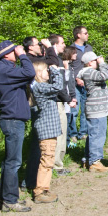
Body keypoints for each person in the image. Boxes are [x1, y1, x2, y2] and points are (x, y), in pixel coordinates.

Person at [0, 40, 36, 212]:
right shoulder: (4, 70)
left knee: (10, 162)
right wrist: (24, 55)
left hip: (14, 119)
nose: (16, 52)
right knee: (13, 162)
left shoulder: (7, 70)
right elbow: (30, 71)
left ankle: (6, 199)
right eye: (13, 51)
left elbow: (29, 75)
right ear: (6, 54)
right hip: (12, 120)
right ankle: (10, 201)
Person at [27, 61, 71, 203]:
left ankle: (44, 188)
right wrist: (56, 70)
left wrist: (52, 71)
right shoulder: (40, 87)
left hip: (49, 130)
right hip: (46, 130)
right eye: (46, 71)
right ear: (39, 73)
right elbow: (58, 86)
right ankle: (40, 192)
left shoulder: (42, 87)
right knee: (46, 160)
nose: (49, 73)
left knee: (48, 159)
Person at [76, 51, 108, 173]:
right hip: (96, 110)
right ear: (90, 62)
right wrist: (103, 63)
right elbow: (104, 75)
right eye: (96, 60)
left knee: (93, 134)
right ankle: (95, 162)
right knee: (97, 134)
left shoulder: (87, 72)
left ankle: (88, 159)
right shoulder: (89, 72)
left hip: (97, 109)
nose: (98, 61)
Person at [45, 35, 72, 175]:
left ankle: (58, 162)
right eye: (62, 43)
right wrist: (68, 98)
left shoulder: (59, 60)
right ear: (54, 45)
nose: (64, 45)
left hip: (61, 101)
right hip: (56, 101)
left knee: (63, 131)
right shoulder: (52, 61)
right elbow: (58, 84)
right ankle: (56, 165)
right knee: (58, 133)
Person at [69, 26, 93, 143]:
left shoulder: (89, 48)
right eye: (86, 33)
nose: (88, 35)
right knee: (74, 110)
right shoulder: (71, 49)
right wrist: (77, 79)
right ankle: (72, 134)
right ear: (79, 35)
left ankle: (83, 132)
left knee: (85, 109)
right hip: (74, 84)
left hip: (87, 83)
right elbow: (68, 67)